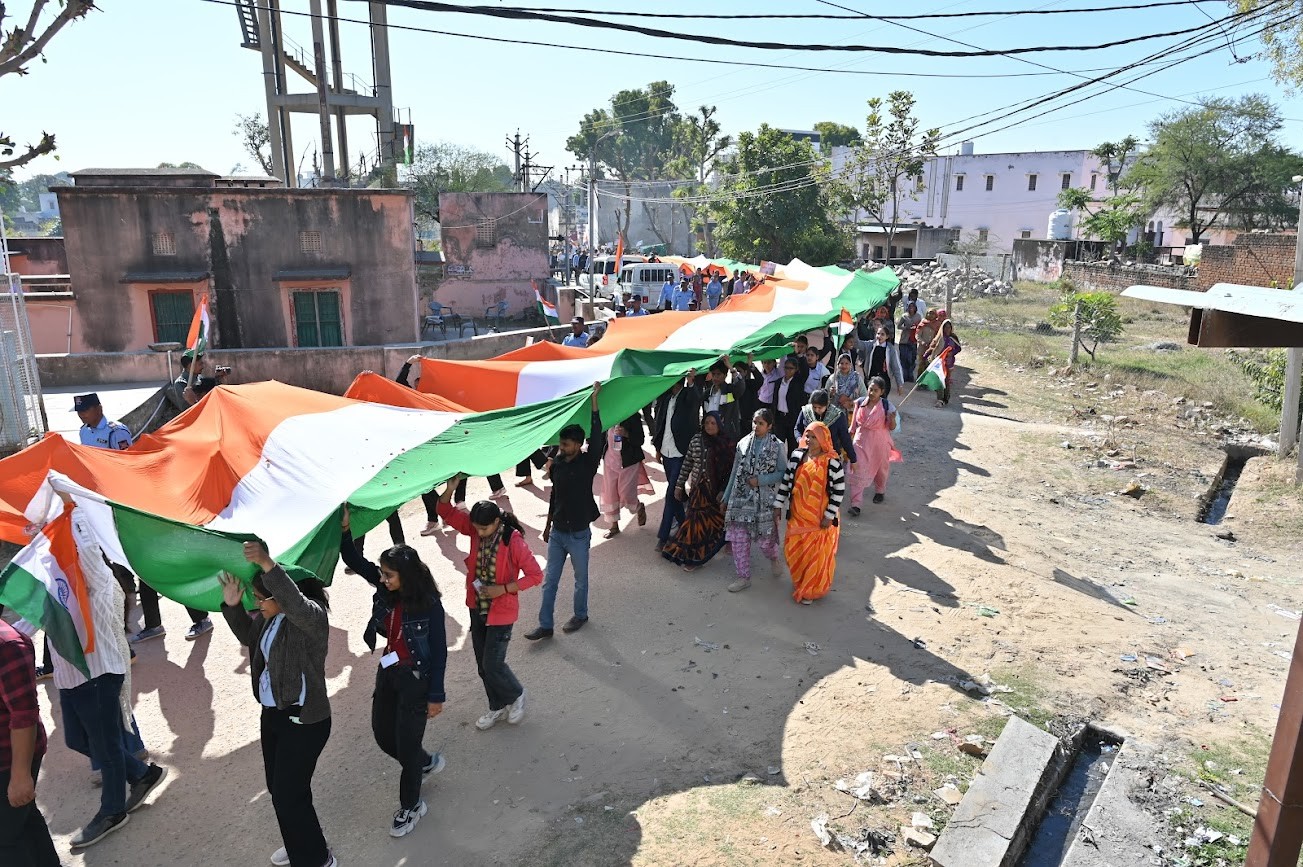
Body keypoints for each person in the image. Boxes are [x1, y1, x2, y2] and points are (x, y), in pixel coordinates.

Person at [38, 501, 167, 849]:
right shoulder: (46, 559)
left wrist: (71, 513)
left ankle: (112, 811)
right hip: (69, 673)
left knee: (106, 746)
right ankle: (143, 774)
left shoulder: (90, 565)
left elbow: (94, 568)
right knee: (78, 741)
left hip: (96, 671)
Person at [218, 540, 335, 867]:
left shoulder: (311, 619)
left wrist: (269, 564)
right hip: (273, 715)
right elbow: (248, 637)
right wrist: (232, 606)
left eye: (262, 597)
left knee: (288, 794)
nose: (257, 602)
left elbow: (295, 604)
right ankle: (301, 842)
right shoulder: (267, 620)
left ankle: (315, 858)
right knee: (280, 789)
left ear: (283, 595)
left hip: (305, 720)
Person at [337, 532, 448, 837]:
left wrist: (436, 695)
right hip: (388, 674)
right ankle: (424, 763)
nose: (383, 579)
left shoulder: (430, 605)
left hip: (416, 683)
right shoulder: (388, 589)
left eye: (389, 575)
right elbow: (354, 560)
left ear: (407, 576)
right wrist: (346, 531)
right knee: (384, 736)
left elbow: (439, 651)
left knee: (407, 747)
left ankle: (411, 806)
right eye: (382, 574)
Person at [438, 495, 542, 731]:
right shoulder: (476, 529)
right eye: (476, 528)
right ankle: (496, 705)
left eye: (484, 528)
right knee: (483, 666)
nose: (479, 533)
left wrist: (502, 589)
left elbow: (535, 575)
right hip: (477, 607)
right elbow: (446, 511)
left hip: (501, 612)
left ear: (496, 522)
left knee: (493, 664)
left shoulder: (513, 541)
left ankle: (516, 694)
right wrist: (450, 489)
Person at [527, 384, 603, 640]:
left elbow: (598, 434)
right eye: (561, 444)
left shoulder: (588, 462)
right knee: (550, 581)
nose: (562, 448)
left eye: (567, 445)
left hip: (580, 532)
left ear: (579, 445)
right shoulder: (557, 464)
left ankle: (580, 615)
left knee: (581, 579)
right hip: (559, 532)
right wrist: (548, 526)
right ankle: (545, 625)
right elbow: (554, 496)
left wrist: (594, 403)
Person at [0, 614, 58, 866]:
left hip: (9, 761)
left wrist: (20, 775)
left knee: (6, 840)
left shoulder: (7, 645)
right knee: (24, 822)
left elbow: (24, 715)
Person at [773, 422, 846, 605]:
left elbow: (839, 491)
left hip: (819, 520)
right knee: (794, 549)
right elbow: (787, 481)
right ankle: (800, 581)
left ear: (823, 439)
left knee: (815, 554)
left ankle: (810, 588)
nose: (809, 440)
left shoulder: (832, 462)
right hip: (797, 515)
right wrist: (778, 504)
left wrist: (829, 516)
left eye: (814, 437)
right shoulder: (798, 456)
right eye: (807, 436)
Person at [720, 409, 786, 593]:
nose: (756, 426)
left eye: (761, 423)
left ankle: (773, 558)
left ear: (769, 426)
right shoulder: (743, 443)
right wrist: (726, 497)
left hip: (764, 500)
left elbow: (783, 473)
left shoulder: (777, 446)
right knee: (739, 539)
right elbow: (735, 471)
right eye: (754, 422)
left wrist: (761, 480)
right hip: (740, 498)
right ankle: (743, 577)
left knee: (766, 541)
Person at [662, 412, 735, 572]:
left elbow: (732, 471)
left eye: (713, 423)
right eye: (707, 422)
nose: (709, 426)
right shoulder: (696, 440)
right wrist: (679, 486)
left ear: (719, 424)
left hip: (717, 492)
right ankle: (695, 558)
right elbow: (687, 463)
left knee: (718, 522)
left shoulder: (727, 443)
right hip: (698, 490)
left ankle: (727, 540)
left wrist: (724, 491)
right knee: (695, 524)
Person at [652, 371, 702, 552]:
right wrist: (658, 447)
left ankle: (663, 537)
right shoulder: (666, 399)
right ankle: (686, 529)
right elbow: (660, 423)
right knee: (676, 495)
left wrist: (690, 382)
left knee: (671, 493)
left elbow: (695, 399)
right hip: (666, 452)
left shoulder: (687, 396)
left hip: (681, 453)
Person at [847, 376, 902, 516]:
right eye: (870, 389)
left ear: (882, 392)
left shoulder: (887, 406)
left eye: (875, 390)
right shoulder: (859, 403)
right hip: (861, 441)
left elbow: (892, 427)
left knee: (881, 469)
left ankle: (880, 490)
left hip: (880, 442)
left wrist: (892, 419)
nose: (871, 393)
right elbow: (853, 425)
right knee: (856, 469)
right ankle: (856, 504)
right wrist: (847, 441)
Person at [599, 412, 647, 538]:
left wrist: (626, 434)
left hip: (628, 461)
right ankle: (614, 526)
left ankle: (638, 506)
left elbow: (640, 440)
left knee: (626, 494)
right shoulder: (607, 415)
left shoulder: (633, 415)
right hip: (610, 462)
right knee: (610, 494)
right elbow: (599, 436)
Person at [795, 389, 856, 466]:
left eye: (820, 407)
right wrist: (801, 440)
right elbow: (797, 429)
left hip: (830, 459)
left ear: (827, 404)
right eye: (814, 407)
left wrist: (853, 459)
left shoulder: (838, 416)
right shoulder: (806, 412)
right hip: (808, 456)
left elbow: (845, 438)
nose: (817, 410)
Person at [769, 354, 808, 454]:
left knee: (792, 448)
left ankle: (791, 468)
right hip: (779, 419)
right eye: (786, 368)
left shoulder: (798, 383)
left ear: (796, 369)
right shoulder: (778, 382)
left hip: (792, 419)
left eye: (791, 368)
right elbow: (774, 401)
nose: (788, 370)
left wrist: (799, 355)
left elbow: (805, 371)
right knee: (778, 447)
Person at [703, 359, 744, 440]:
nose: (715, 377)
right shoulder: (707, 394)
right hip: (710, 437)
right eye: (713, 374)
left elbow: (740, 387)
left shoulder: (730, 390)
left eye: (718, 374)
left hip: (727, 436)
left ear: (725, 375)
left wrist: (731, 369)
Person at [928, 319, 962, 407]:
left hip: (948, 363)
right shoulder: (939, 337)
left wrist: (952, 352)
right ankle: (940, 399)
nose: (947, 329)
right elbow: (933, 348)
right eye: (945, 327)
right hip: (939, 363)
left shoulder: (953, 338)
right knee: (939, 380)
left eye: (949, 327)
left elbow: (958, 348)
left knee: (946, 381)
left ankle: (945, 398)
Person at [865, 325, 905, 396]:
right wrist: (855, 328)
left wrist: (900, 385)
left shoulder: (891, 350)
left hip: (884, 380)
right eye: (878, 334)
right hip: (871, 378)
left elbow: (896, 368)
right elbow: (857, 343)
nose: (879, 336)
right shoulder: (871, 345)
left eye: (882, 334)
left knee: (882, 403)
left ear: (887, 336)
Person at [897, 302, 922, 383]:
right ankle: (904, 375)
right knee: (904, 358)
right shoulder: (904, 316)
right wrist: (906, 327)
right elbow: (899, 326)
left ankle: (910, 374)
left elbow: (920, 327)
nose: (911, 308)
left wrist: (916, 327)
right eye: (910, 306)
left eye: (913, 307)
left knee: (911, 359)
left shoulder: (918, 316)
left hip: (913, 340)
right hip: (904, 340)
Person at [915, 310, 942, 380]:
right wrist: (923, 342)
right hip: (922, 348)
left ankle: (926, 381)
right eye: (929, 313)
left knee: (929, 365)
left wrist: (934, 344)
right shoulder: (923, 323)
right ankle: (919, 381)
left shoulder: (937, 325)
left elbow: (938, 336)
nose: (931, 315)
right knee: (921, 365)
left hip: (932, 349)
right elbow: (917, 335)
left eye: (932, 313)